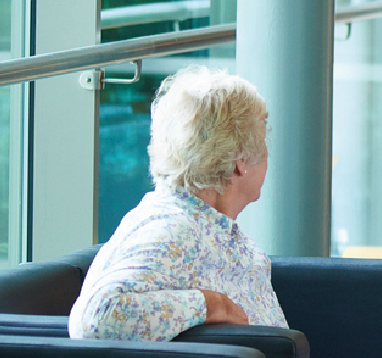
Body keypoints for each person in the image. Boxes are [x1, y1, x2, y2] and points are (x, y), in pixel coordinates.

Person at [70, 66, 287, 341]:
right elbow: (98, 318)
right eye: (263, 140)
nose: (268, 153)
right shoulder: (174, 230)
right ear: (240, 161)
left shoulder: (207, 224)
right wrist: (210, 305)